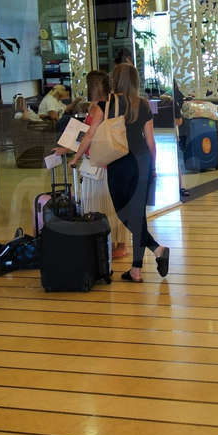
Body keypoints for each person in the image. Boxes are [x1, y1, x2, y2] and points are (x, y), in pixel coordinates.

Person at [72, 63, 169, 283]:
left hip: (120, 164)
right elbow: (151, 141)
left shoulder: (107, 104)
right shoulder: (143, 104)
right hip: (142, 162)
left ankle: (150, 256)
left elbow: (90, 135)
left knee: (124, 213)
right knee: (137, 215)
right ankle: (141, 264)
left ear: (114, 80)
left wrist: (75, 157)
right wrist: (153, 168)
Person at [58, 70, 129, 260]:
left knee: (100, 204)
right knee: (111, 204)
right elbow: (86, 135)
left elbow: (88, 135)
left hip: (99, 163)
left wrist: (75, 157)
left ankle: (110, 243)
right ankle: (117, 243)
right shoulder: (112, 103)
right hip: (110, 161)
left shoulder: (98, 108)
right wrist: (66, 149)